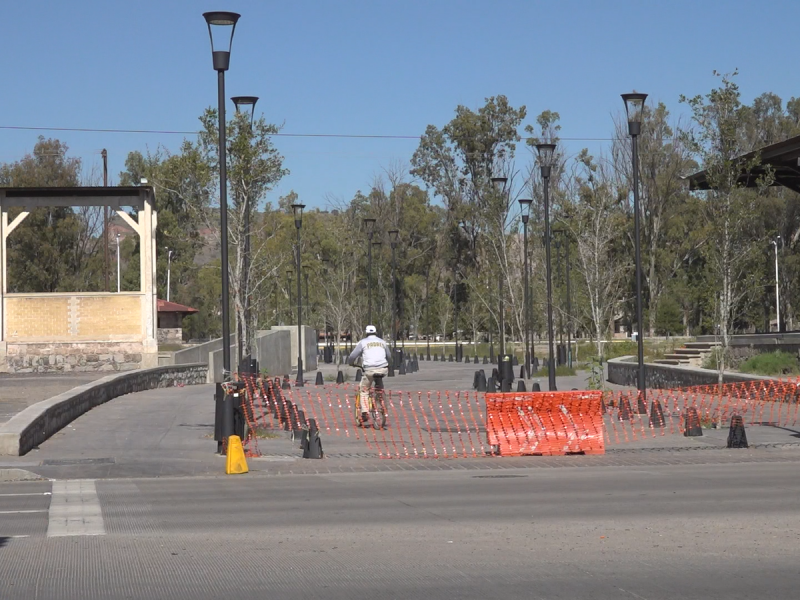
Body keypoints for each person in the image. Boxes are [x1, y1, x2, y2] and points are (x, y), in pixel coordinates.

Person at [347, 325, 392, 424]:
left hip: (369, 369)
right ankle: (381, 399)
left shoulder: (363, 342)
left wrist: (351, 363)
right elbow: (389, 356)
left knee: (364, 390)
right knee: (379, 385)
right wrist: (389, 364)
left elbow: (353, 355)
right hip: (383, 369)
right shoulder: (382, 342)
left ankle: (365, 412)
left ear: (366, 333)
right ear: (376, 332)